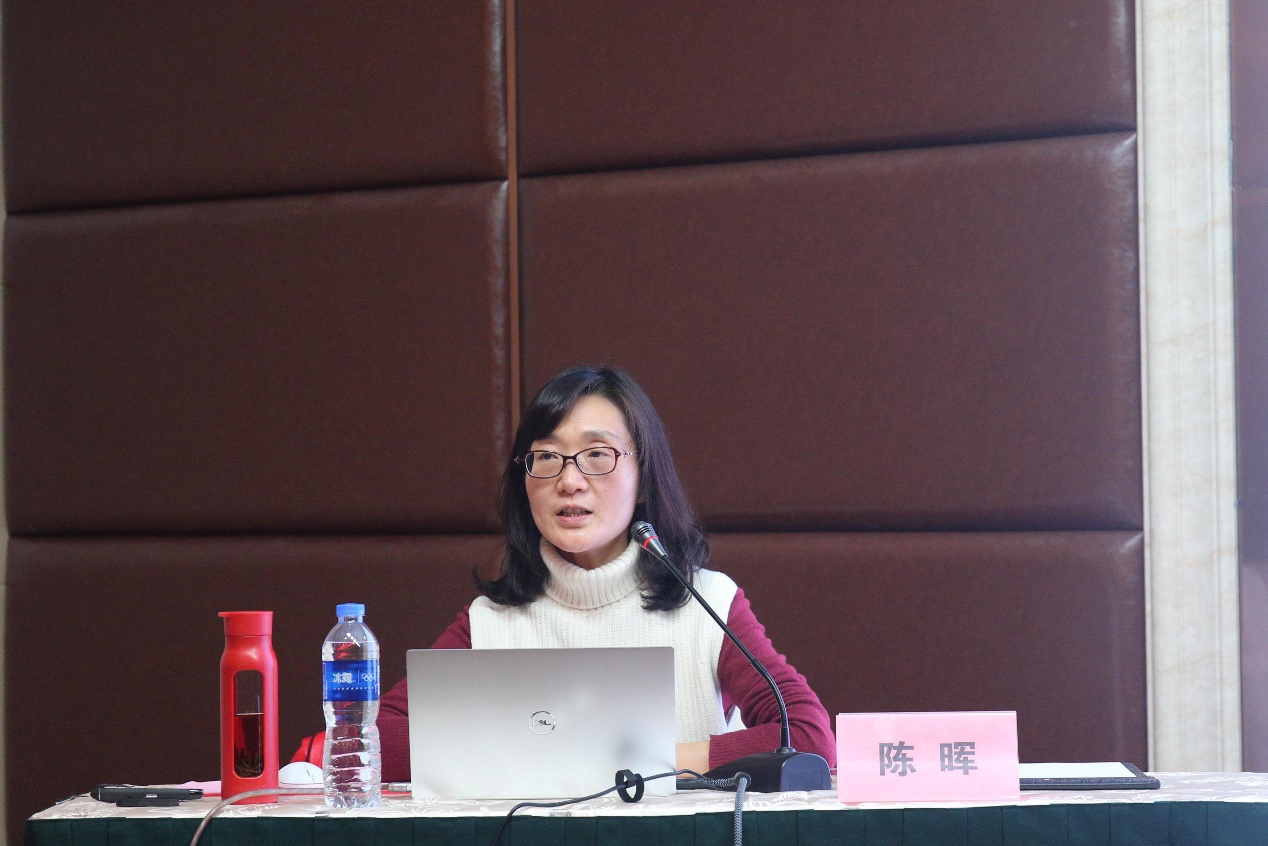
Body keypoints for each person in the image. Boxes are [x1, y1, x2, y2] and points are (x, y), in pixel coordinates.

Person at [295, 365, 836, 781]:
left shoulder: (706, 603)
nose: (570, 481)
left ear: (643, 478)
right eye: (547, 457)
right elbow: (367, 742)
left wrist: (638, 761)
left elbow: (809, 738)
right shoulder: (491, 622)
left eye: (597, 455)